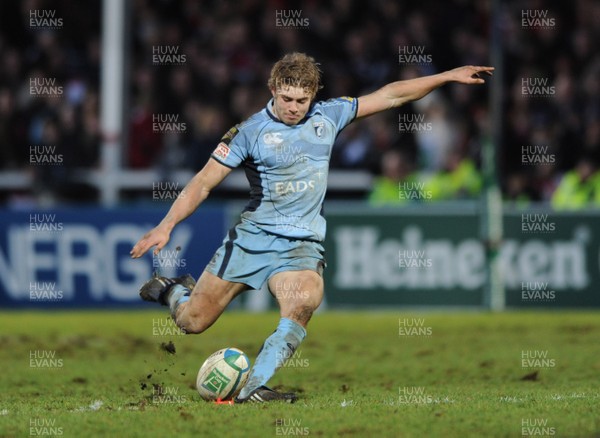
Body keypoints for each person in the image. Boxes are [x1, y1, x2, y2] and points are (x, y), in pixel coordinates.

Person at [130, 52, 493, 403]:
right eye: (287, 98)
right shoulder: (247, 132)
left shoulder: (329, 115)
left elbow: (391, 94)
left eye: (302, 100)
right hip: (252, 240)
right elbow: (204, 182)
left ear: (313, 95)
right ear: (273, 89)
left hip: (300, 245)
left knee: (303, 300)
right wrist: (167, 225)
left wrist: (445, 76)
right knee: (193, 322)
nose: (293, 107)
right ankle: (173, 291)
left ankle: (253, 387)